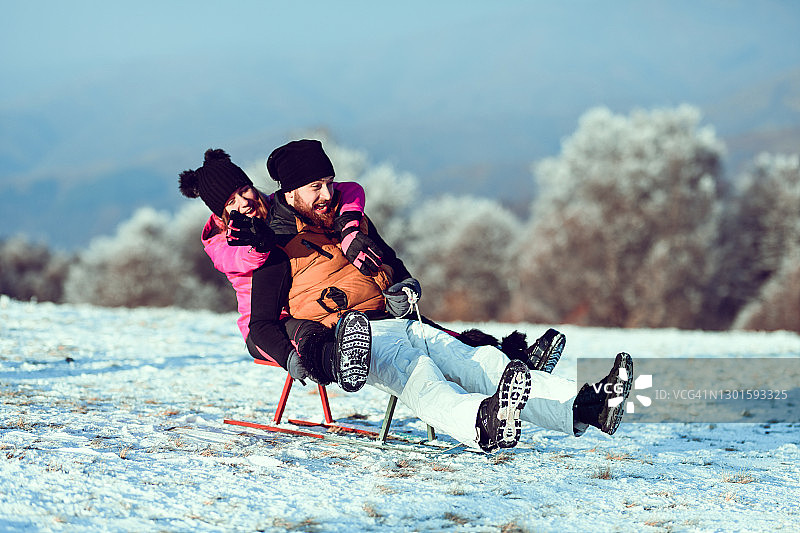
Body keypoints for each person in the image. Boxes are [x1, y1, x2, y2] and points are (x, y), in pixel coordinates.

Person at [246, 139, 634, 452]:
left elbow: (394, 266)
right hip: (352, 338)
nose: (327, 194)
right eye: (316, 187)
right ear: (291, 192)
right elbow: (260, 323)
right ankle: (482, 424)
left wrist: (406, 287)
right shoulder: (275, 246)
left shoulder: (351, 222)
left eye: (330, 183)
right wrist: (294, 360)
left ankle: (587, 407)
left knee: (479, 360)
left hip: (401, 320)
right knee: (420, 375)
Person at [179, 149, 567, 385]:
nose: (244, 200)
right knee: (340, 342)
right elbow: (240, 259)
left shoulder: (281, 205)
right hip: (270, 323)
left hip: (312, 301)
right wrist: (255, 244)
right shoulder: (226, 241)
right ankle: (340, 367)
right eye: (231, 200)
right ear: (219, 211)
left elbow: (345, 190)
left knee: (427, 330)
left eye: (244, 188)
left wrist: (348, 226)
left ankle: (512, 355)